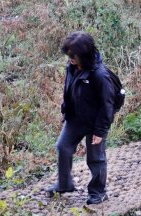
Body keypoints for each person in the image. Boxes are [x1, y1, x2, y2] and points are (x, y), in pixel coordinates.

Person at [48, 32, 116, 205]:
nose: (70, 58)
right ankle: (64, 184)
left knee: (95, 158)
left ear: (84, 55)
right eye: (68, 54)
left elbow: (107, 105)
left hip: (95, 124)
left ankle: (98, 192)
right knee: (63, 147)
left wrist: (100, 131)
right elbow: (69, 89)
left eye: (73, 55)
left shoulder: (100, 75)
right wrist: (66, 111)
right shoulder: (71, 66)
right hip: (75, 118)